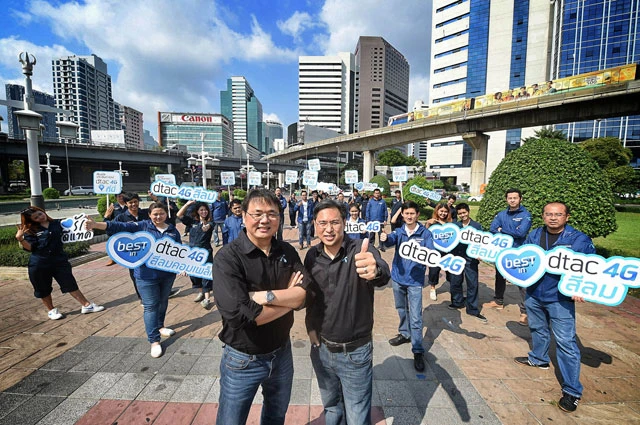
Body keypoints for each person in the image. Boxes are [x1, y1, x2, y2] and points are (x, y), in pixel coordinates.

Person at [212, 189, 308, 425]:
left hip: (282, 353)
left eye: (272, 214)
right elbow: (240, 315)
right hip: (243, 359)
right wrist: (289, 300)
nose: (265, 220)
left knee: (276, 415)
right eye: (257, 214)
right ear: (244, 216)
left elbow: (306, 294)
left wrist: (264, 297)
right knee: (231, 421)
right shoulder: (228, 258)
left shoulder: (287, 251)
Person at [305, 200, 390, 425]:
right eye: (322, 223)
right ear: (314, 224)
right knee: (332, 409)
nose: (329, 229)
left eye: (334, 222)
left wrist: (375, 270)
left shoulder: (361, 249)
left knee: (356, 415)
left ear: (344, 223)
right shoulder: (312, 255)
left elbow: (381, 271)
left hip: (355, 352)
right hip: (322, 350)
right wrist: (311, 331)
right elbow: (312, 298)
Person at [514, 202, 594, 413]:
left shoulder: (578, 239)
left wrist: (581, 286)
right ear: (543, 216)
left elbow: (591, 265)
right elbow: (523, 257)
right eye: (548, 214)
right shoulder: (535, 235)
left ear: (567, 217)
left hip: (560, 298)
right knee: (537, 329)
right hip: (534, 294)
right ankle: (539, 359)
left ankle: (572, 391)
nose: (553, 218)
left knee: (566, 343)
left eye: (558, 214)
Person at [87, 202, 182, 358]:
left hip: (167, 275)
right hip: (146, 276)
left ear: (166, 214)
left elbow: (178, 250)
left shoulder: (172, 230)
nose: (158, 217)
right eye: (155, 214)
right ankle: (154, 340)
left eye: (161, 213)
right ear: (149, 215)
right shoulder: (142, 226)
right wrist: (96, 224)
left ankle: (160, 326)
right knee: (151, 306)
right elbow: (119, 226)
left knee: (163, 301)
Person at [15, 206, 105, 321]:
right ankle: (51, 310)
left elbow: (76, 229)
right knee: (43, 287)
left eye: (40, 214)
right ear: (32, 220)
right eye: (36, 217)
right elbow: (31, 248)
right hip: (39, 262)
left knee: (69, 282)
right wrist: (21, 239)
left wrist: (88, 225)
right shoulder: (30, 230)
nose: (40, 217)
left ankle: (86, 305)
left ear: (43, 211)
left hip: (59, 260)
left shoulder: (57, 223)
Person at [380, 201, 431, 371]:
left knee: (416, 316)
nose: (409, 216)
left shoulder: (425, 234)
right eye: (406, 213)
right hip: (398, 278)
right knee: (401, 308)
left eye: (412, 213)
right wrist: (385, 238)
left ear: (417, 215)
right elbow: (390, 241)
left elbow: (432, 253)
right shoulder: (399, 231)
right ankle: (404, 333)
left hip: (415, 280)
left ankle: (417, 350)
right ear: (402, 215)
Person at [484, 188, 532, 325]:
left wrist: (502, 230)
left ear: (520, 199)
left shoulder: (525, 215)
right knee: (499, 277)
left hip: (517, 252)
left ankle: (525, 312)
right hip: (502, 251)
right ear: (506, 199)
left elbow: (521, 233)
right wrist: (509, 231)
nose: (512, 200)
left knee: (521, 282)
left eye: (515, 198)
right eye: (510, 198)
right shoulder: (501, 214)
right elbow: (493, 229)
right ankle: (498, 301)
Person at [448, 203, 486, 322]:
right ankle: (457, 302)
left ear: (468, 212)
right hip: (457, 256)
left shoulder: (476, 226)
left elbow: (482, 241)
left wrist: (480, 253)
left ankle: (472, 308)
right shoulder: (455, 226)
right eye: (460, 213)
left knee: (472, 283)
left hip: (471, 259)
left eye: (464, 212)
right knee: (455, 281)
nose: (462, 215)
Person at [177, 200, 214, 308]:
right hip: (192, 253)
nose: (204, 212)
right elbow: (179, 215)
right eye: (201, 210)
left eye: (205, 210)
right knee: (194, 274)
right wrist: (187, 204)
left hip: (205, 252)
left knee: (206, 274)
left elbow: (207, 226)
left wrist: (206, 226)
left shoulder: (211, 222)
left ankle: (207, 299)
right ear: (197, 211)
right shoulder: (191, 222)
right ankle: (201, 292)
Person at [113, 192, 150, 301]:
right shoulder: (121, 217)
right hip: (132, 251)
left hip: (148, 248)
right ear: (126, 203)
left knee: (153, 271)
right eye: (130, 202)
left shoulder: (145, 214)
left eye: (135, 202)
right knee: (136, 275)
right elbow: (111, 230)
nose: (134, 204)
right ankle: (142, 297)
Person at [425, 203, 453, 301]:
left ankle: (453, 287)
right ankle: (432, 288)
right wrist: (428, 224)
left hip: (448, 251)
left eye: (445, 211)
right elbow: (425, 235)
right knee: (434, 270)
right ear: (437, 211)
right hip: (435, 251)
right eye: (441, 211)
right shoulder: (432, 223)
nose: (443, 213)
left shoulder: (451, 224)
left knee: (450, 271)